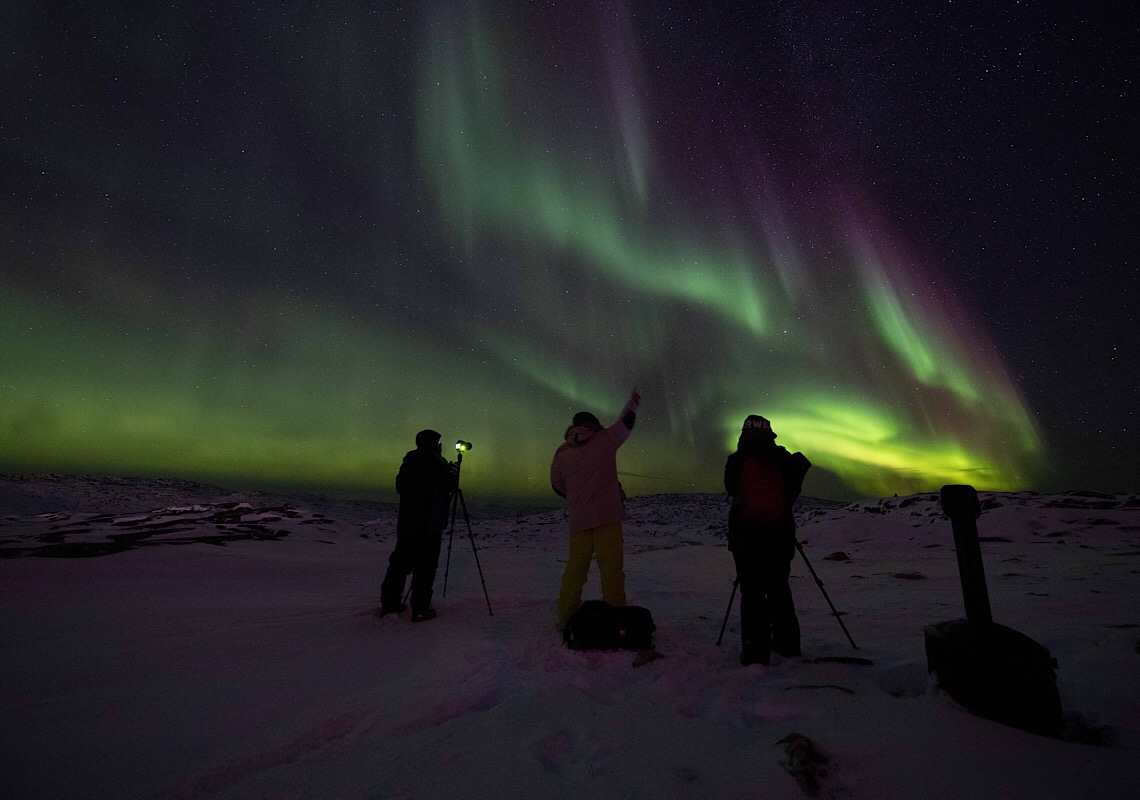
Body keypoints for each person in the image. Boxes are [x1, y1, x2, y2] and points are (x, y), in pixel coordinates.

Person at [550, 388, 641, 630]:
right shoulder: (605, 440)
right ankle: (616, 621)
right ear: (593, 424)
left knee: (575, 571)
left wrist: (578, 497)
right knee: (611, 572)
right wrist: (632, 402)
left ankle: (566, 618)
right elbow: (626, 423)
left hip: (579, 521)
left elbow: (557, 486)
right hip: (607, 518)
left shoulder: (562, 452)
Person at [724, 414, 811, 666]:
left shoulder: (736, 460)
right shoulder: (783, 458)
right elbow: (794, 485)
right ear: (769, 433)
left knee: (751, 594)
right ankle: (788, 645)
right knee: (778, 590)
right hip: (779, 537)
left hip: (746, 538)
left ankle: (755, 654)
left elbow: (731, 487)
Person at [380, 429, 459, 622]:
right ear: (433, 443)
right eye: (439, 442)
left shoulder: (410, 460)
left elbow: (400, 486)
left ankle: (390, 606)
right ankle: (420, 608)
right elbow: (448, 485)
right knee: (426, 566)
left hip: (407, 523)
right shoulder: (435, 463)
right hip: (429, 525)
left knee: (400, 563)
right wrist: (454, 472)